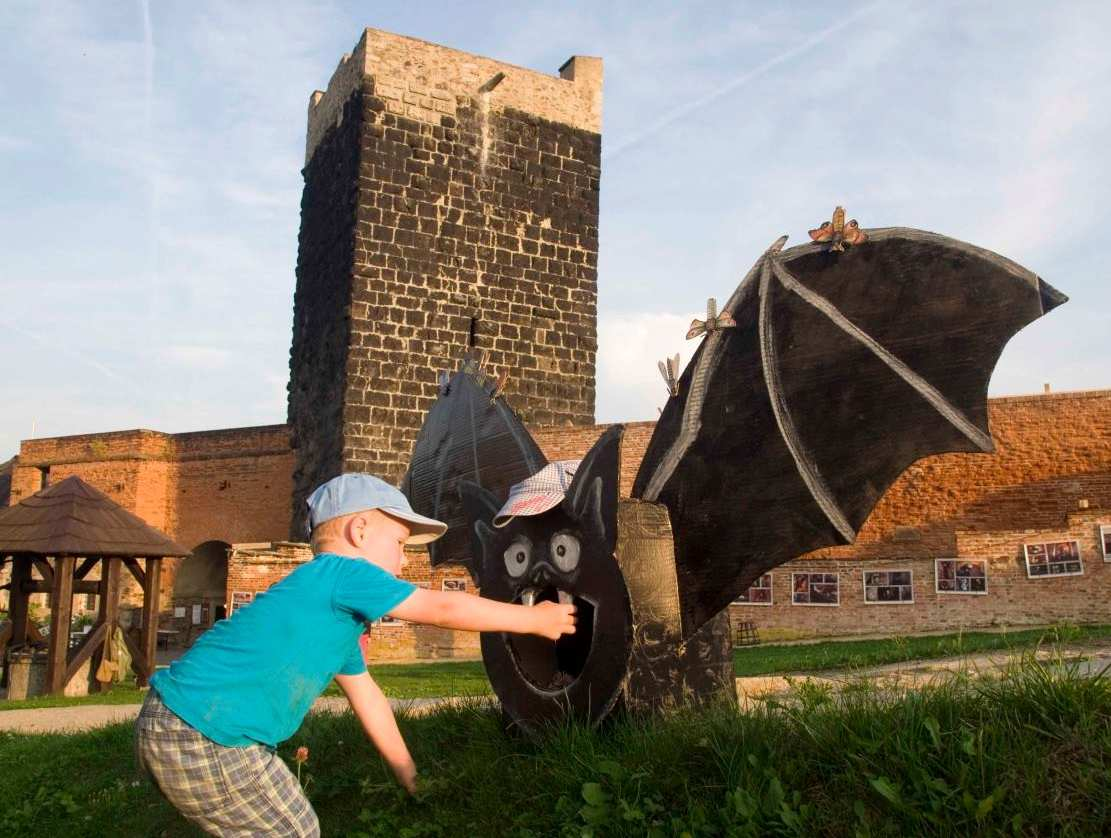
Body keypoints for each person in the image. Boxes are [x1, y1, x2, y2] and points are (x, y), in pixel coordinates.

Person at [135, 473, 576, 837]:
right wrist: (536, 620)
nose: (404, 562)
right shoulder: (344, 573)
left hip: (184, 722)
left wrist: (408, 772)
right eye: (401, 544)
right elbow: (441, 608)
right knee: (296, 830)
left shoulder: (331, 616)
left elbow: (369, 698)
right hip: (207, 732)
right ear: (359, 531)